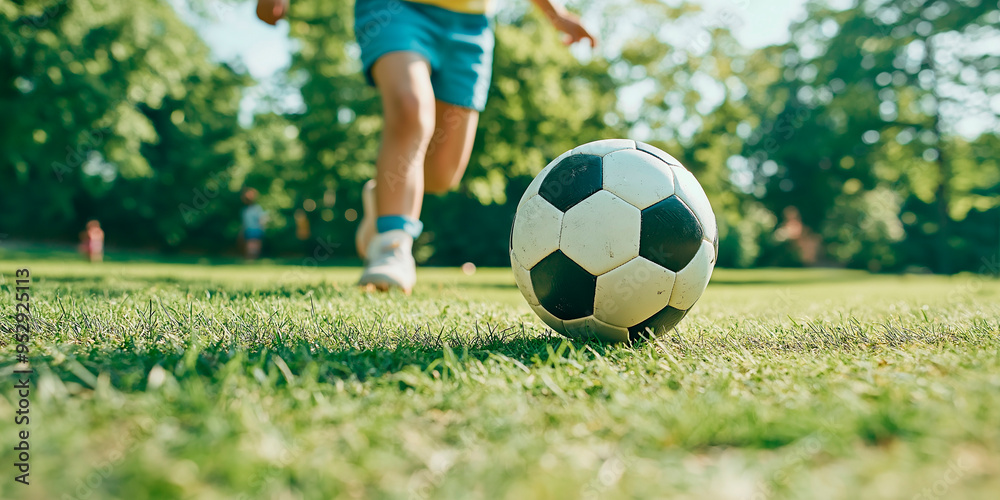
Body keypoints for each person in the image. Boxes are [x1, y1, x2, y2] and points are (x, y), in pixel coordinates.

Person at [257, 0, 596, 294]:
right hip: (396, 9)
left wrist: (557, 14)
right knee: (411, 110)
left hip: (470, 26)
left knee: (440, 174)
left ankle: (384, 199)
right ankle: (392, 248)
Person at [240, 188, 268, 260]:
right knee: (253, 245)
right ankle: (251, 258)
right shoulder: (252, 209)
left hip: (254, 229)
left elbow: (260, 220)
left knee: (253, 245)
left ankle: (252, 259)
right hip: (253, 229)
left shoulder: (250, 210)